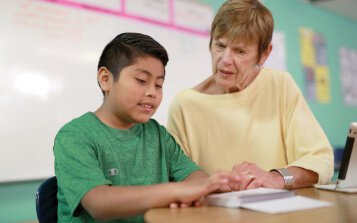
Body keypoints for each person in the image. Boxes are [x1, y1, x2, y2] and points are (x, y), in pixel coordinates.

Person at [53, 32, 240, 223]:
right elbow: (99, 204)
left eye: (159, 84)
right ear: (105, 79)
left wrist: (206, 186)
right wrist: (176, 191)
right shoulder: (74, 136)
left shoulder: (157, 133)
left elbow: (194, 177)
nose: (152, 92)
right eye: (141, 81)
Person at [167, 0, 334, 191]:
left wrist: (277, 178)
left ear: (264, 54)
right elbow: (178, 179)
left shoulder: (280, 85)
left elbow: (321, 160)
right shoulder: (184, 105)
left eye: (240, 51)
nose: (225, 60)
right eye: (220, 46)